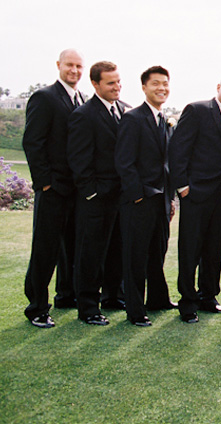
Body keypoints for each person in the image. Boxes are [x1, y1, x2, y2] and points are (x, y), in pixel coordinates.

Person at [169, 77, 221, 323]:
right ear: (218, 88)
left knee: (214, 248)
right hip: (196, 192)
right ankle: (187, 303)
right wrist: (182, 186)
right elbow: (179, 148)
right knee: (190, 248)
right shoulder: (198, 110)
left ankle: (208, 297)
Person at [22, 48, 86, 328]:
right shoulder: (45, 97)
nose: (74, 70)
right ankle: (37, 307)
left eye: (79, 66)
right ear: (58, 65)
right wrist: (44, 182)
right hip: (53, 188)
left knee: (70, 248)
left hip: (75, 189)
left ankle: (65, 295)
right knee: (45, 249)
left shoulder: (81, 98)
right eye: (69, 65)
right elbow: (33, 142)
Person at [67, 61, 131, 325]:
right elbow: (78, 160)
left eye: (118, 82)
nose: (116, 87)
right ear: (95, 84)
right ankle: (88, 307)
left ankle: (112, 296)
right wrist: (91, 193)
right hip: (96, 198)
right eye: (110, 83)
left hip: (121, 197)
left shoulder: (125, 111)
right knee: (91, 253)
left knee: (117, 249)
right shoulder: (84, 115)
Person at [115, 66, 176, 327]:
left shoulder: (164, 120)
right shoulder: (133, 118)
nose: (162, 88)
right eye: (156, 84)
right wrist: (138, 196)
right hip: (140, 200)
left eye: (165, 84)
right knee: (136, 257)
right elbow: (124, 161)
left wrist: (170, 198)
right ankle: (135, 310)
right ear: (144, 87)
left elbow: (167, 164)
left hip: (161, 201)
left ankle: (158, 299)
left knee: (157, 252)